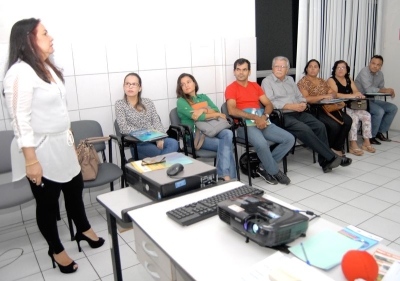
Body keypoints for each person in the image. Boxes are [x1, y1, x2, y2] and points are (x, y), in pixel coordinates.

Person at [3, 18, 104, 274]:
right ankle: (56, 249)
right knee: (48, 204)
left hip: (63, 142)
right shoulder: (19, 72)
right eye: (45, 33)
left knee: (75, 189)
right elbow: (20, 121)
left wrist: (70, 141)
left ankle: (83, 229)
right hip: (40, 150)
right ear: (28, 40)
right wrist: (31, 161)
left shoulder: (46, 67)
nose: (51, 37)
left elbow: (61, 111)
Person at [261, 56, 352, 173]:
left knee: (320, 126)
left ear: (287, 69)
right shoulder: (267, 81)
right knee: (304, 129)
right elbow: (270, 102)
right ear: (272, 68)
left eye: (282, 66)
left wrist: (303, 103)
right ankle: (332, 157)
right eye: (277, 66)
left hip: (297, 111)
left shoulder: (290, 80)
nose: (279, 69)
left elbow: (300, 96)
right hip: (281, 116)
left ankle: (325, 162)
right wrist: (290, 106)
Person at [225, 58, 294, 185]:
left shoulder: (255, 86)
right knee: (262, 144)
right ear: (234, 72)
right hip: (244, 125)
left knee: (289, 139)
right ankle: (274, 171)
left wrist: (264, 116)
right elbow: (232, 110)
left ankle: (263, 167)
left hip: (262, 122)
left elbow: (268, 104)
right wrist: (255, 117)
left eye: (244, 70)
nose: (241, 72)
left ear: (249, 72)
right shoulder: (231, 88)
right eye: (238, 70)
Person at [177, 73, 236, 181]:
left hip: (211, 129)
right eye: (182, 84)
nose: (186, 85)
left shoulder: (203, 97)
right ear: (180, 88)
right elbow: (199, 117)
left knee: (228, 133)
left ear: (194, 83)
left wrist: (203, 109)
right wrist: (216, 114)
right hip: (194, 136)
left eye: (188, 82)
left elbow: (215, 109)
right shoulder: (181, 102)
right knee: (224, 145)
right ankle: (228, 178)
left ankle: (223, 175)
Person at [115, 73, 179, 160]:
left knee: (173, 143)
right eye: (127, 84)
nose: (130, 87)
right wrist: (148, 134)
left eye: (134, 84)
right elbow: (123, 128)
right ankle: (163, 163)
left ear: (140, 88)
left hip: (155, 139)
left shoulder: (148, 102)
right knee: (164, 154)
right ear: (124, 86)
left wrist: (160, 138)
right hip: (138, 143)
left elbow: (156, 121)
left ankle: (159, 163)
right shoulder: (120, 104)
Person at [297, 59, 352, 156]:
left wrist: (332, 95)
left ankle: (336, 147)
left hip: (328, 107)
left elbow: (333, 92)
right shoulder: (303, 82)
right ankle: (327, 149)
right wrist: (323, 96)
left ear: (319, 69)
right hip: (313, 110)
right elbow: (306, 99)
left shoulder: (322, 81)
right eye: (310, 66)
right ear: (306, 69)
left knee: (348, 120)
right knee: (334, 125)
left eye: (315, 67)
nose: (313, 69)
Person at [327, 60, 375, 156]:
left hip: (352, 105)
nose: (341, 70)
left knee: (367, 115)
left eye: (343, 67)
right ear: (335, 70)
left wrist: (358, 95)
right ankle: (353, 143)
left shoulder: (349, 78)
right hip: (340, 107)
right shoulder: (331, 80)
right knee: (354, 118)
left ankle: (366, 141)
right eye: (338, 68)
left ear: (346, 70)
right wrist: (350, 96)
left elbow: (356, 91)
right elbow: (335, 95)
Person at [354, 55, 398, 144]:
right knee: (379, 111)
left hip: (370, 100)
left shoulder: (380, 74)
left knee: (393, 108)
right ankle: (370, 136)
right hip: (359, 100)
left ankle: (379, 132)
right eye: (373, 63)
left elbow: (381, 88)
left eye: (378, 65)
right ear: (369, 63)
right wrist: (385, 90)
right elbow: (369, 89)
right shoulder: (364, 71)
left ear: (381, 66)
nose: (375, 66)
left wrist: (389, 91)